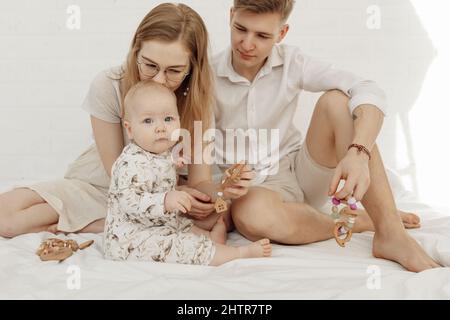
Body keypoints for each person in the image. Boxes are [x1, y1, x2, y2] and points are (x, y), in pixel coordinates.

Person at [209, 0, 441, 272]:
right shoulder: (207, 74)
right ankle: (356, 221)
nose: (247, 44)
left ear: (282, 34)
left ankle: (391, 234)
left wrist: (358, 152)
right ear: (230, 16)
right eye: (241, 29)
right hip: (251, 192)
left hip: (299, 173)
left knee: (338, 102)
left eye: (262, 36)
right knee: (251, 214)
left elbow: (366, 88)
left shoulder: (292, 62)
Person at [0, 3, 252, 238]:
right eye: (150, 65)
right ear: (136, 51)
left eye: (174, 71)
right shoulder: (108, 86)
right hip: (108, 185)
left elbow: (199, 182)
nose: (158, 80)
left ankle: (94, 224)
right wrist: (167, 197)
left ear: (191, 69)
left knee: (218, 214)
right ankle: (108, 223)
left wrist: (221, 190)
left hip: (164, 192)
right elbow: (117, 174)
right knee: (6, 216)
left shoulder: (198, 99)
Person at [103, 81, 271, 265]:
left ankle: (210, 238)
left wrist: (173, 163)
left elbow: (155, 172)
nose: (161, 128)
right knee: (179, 246)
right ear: (130, 129)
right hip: (131, 239)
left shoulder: (158, 153)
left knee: (184, 225)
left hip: (158, 223)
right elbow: (129, 201)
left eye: (168, 119)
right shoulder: (130, 162)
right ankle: (237, 253)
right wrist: (165, 200)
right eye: (148, 121)